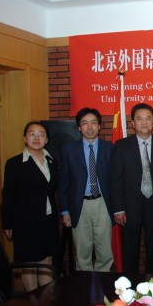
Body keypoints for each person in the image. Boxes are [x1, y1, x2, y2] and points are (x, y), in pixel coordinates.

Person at [111, 103, 153, 274]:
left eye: (148, 118)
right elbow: (115, 180)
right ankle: (130, 290)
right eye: (139, 118)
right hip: (129, 208)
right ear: (132, 123)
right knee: (130, 252)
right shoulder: (121, 146)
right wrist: (118, 209)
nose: (144, 122)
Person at [1, 121, 58, 291]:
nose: (36, 138)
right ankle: (32, 302)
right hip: (26, 222)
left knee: (47, 261)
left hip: (48, 219)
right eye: (32, 134)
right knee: (29, 263)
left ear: (46, 139)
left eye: (41, 134)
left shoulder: (52, 160)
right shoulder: (15, 163)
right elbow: (8, 195)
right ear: (24, 138)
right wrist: (7, 223)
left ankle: (46, 302)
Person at [59, 108, 114, 272]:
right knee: (82, 253)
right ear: (79, 127)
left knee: (105, 253)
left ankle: (101, 291)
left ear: (99, 126)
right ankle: (85, 292)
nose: (89, 127)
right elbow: (63, 183)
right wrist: (64, 211)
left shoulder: (110, 148)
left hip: (103, 203)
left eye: (93, 123)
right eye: (85, 123)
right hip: (79, 205)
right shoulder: (68, 150)